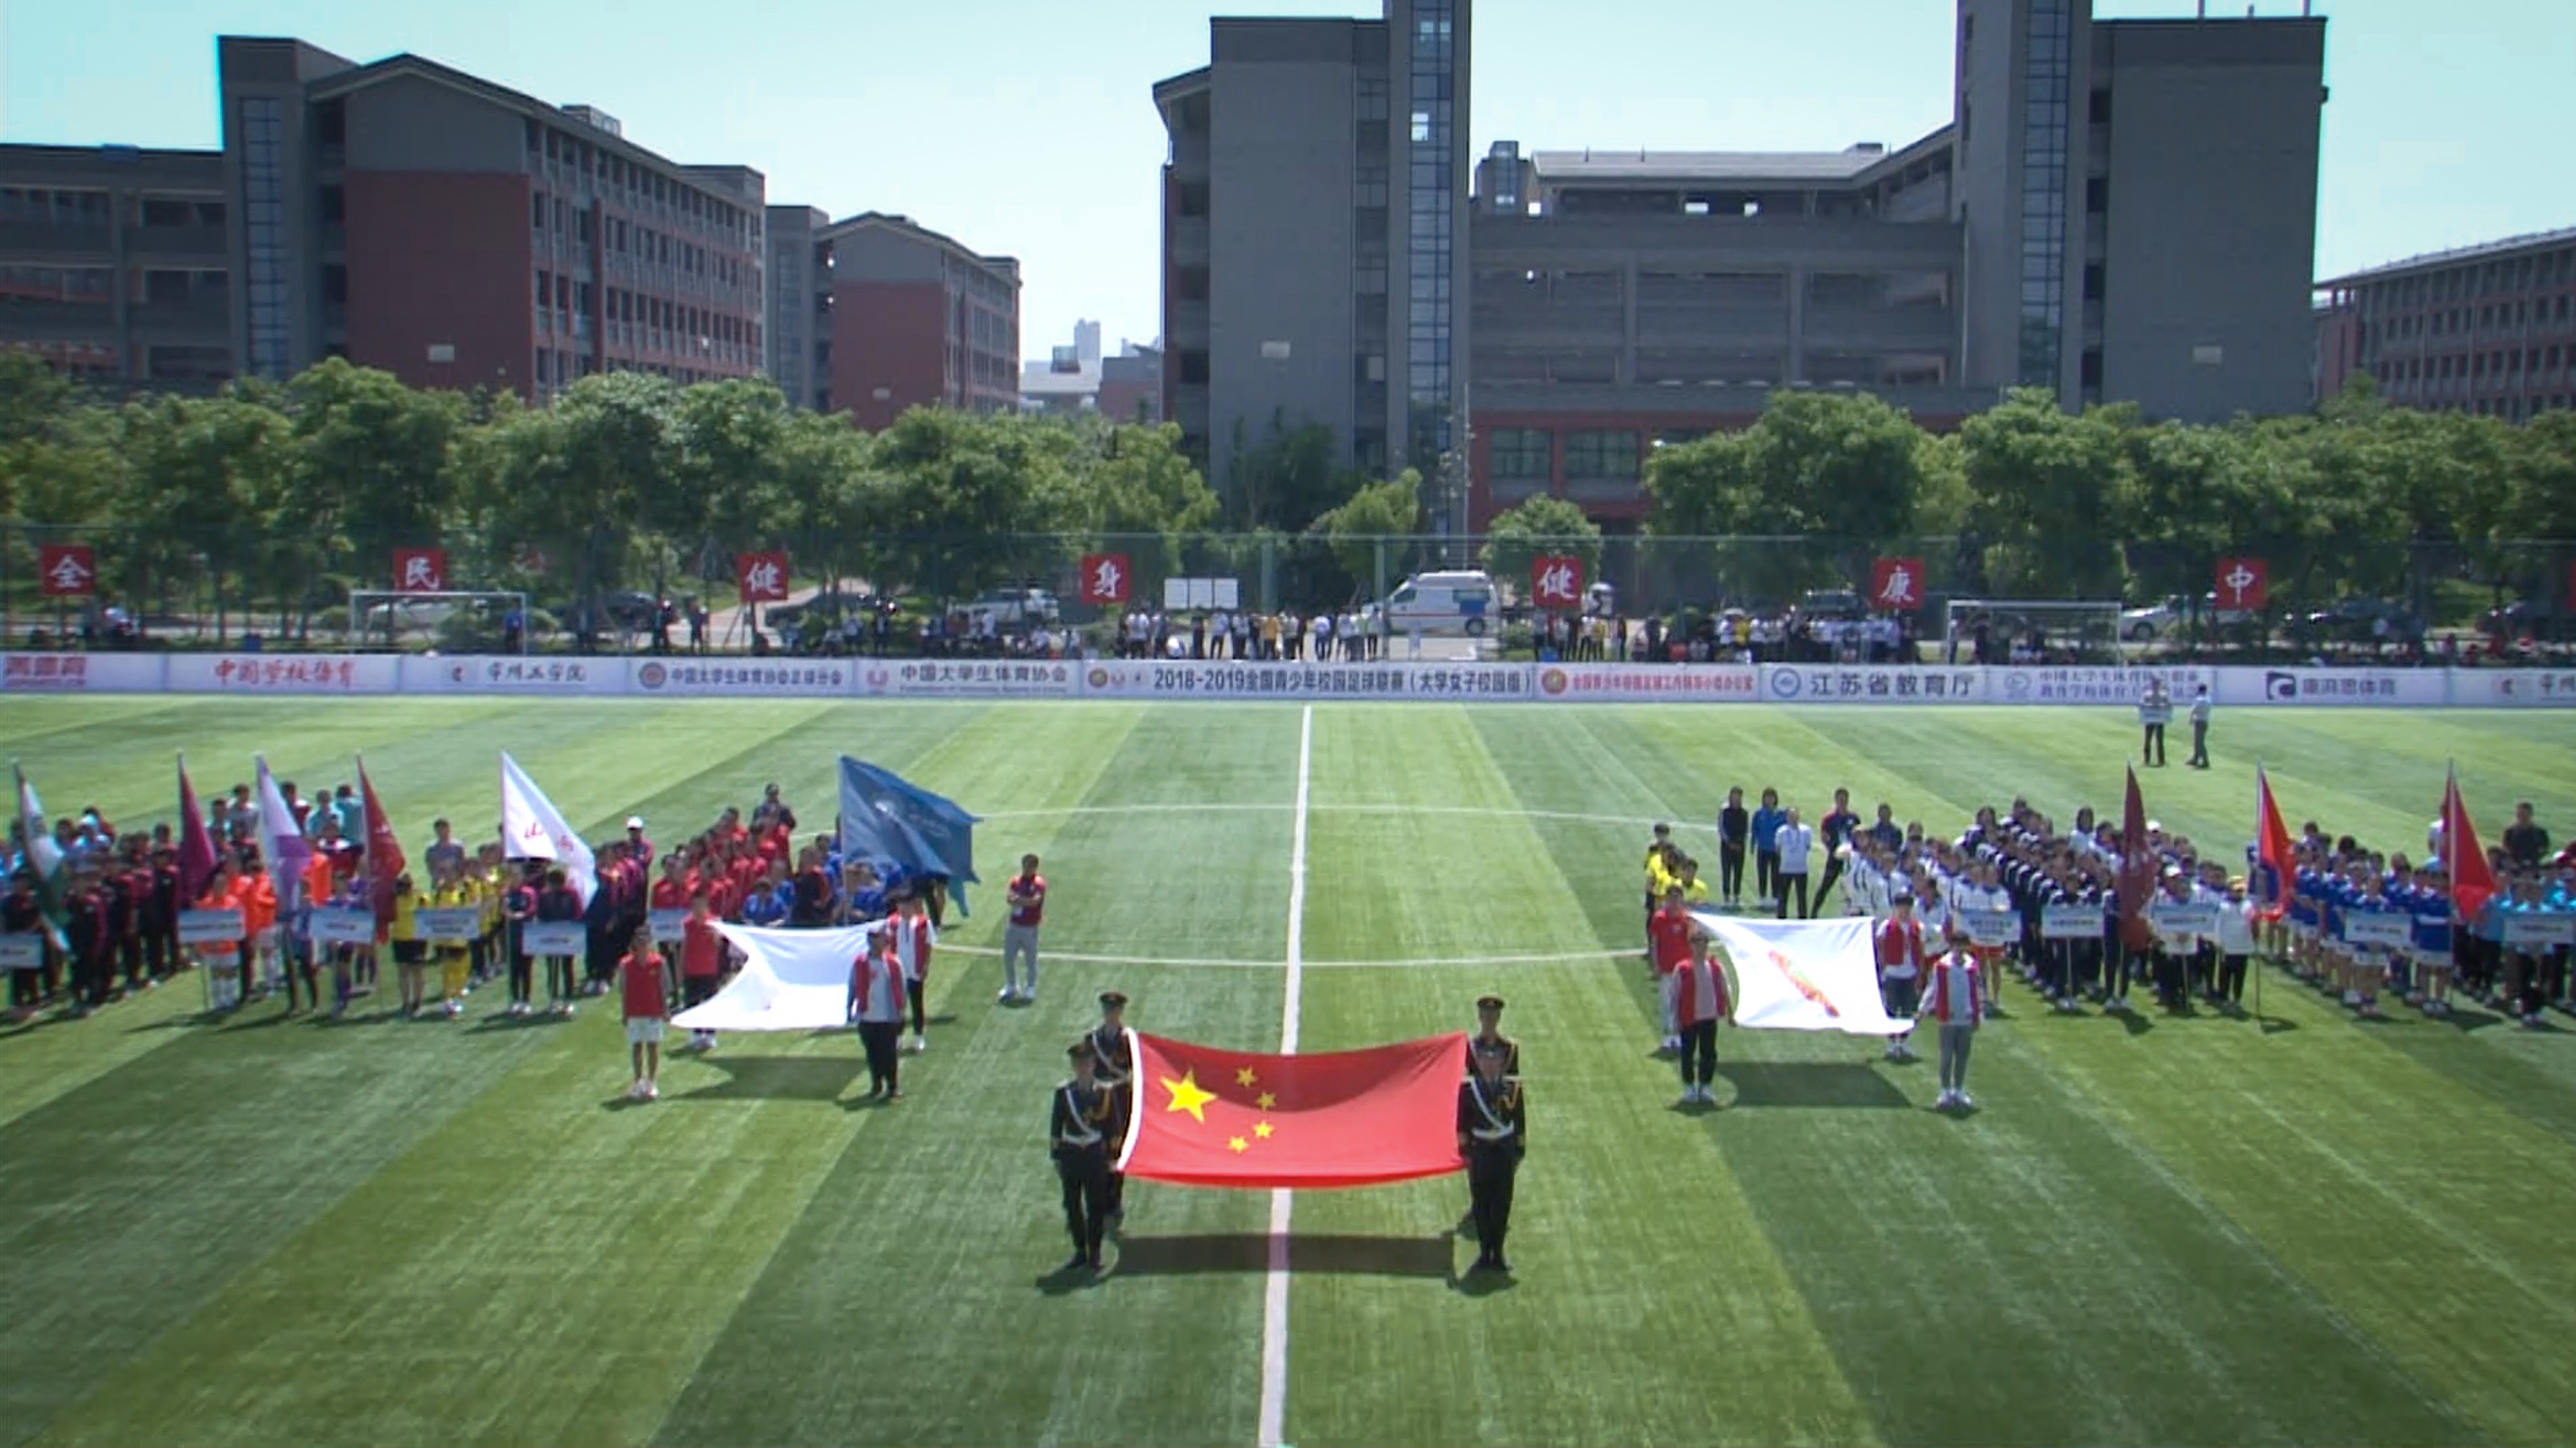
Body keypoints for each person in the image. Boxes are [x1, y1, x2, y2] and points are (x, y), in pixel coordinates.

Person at [1050, 1039, 1122, 1273]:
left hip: (1094, 1155)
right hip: (1072, 1154)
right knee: (1072, 1206)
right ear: (1074, 1066)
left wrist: (1112, 1158)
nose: (1083, 1068)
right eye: (1079, 1064)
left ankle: (1095, 1252)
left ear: (1093, 1065)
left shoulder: (1105, 1093)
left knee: (1096, 1207)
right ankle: (1080, 1250)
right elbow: (1056, 1127)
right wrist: (1056, 1156)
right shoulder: (1064, 1093)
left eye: (1087, 1063)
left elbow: (1112, 1128)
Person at [1458, 1032, 1526, 1274]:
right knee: (1482, 1204)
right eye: (1485, 1060)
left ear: (1501, 1062)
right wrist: (1466, 1152)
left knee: (1502, 1203)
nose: (1489, 1064)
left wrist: (1518, 1151)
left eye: (1494, 1060)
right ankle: (1484, 1252)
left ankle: (1498, 1253)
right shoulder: (1469, 1089)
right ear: (1479, 1062)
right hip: (1481, 1151)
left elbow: (1519, 1121)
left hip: (1503, 1151)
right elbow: (1462, 1124)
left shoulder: (1512, 1088)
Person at [1921, 924, 1984, 1110]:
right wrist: (1922, 1008)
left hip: (1966, 1016)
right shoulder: (1942, 966)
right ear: (1951, 946)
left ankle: (1959, 1089)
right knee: (1947, 1056)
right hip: (1947, 1017)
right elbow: (1933, 989)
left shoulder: (1972, 966)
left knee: (1962, 1055)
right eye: (1957, 945)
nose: (1960, 949)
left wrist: (1978, 1014)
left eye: (1963, 945)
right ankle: (1944, 1090)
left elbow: (1978, 990)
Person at [1090, 991, 1136, 1221]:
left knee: (1117, 1150)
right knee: (1097, 1151)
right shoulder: (1092, 1039)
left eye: (1114, 1010)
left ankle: (1115, 1199)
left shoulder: (1128, 1040)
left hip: (1119, 1099)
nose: (1110, 1014)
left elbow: (1135, 1070)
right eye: (1108, 1010)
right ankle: (1099, 1198)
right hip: (1099, 1100)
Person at [848, 929, 908, 1102]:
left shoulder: (893, 963)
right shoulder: (860, 962)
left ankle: (892, 1087)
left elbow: (902, 988)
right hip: (867, 1016)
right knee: (873, 1054)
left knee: (889, 1054)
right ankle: (876, 1085)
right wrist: (850, 1006)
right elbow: (853, 985)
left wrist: (901, 1011)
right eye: (875, 939)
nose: (879, 943)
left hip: (888, 1017)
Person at [1673, 934, 1730, 1106]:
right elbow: (1675, 995)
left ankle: (1705, 1086)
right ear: (1691, 946)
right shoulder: (1682, 968)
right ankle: (1689, 1087)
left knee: (1708, 1053)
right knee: (1687, 1053)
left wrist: (1729, 1012)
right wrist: (1675, 1019)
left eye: (1703, 944)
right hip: (1688, 1017)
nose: (1700, 948)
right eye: (1697, 944)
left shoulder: (1715, 966)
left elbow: (1725, 989)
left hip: (1708, 1016)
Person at [620, 926, 668, 1101]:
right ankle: (638, 1081)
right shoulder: (626, 965)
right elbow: (624, 991)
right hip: (634, 1011)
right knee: (637, 1046)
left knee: (653, 1046)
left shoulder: (659, 963)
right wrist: (624, 1013)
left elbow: (663, 988)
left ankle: (651, 1082)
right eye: (639, 941)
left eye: (645, 941)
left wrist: (665, 1009)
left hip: (652, 1011)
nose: (642, 945)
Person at [1876, 894, 1925, 1061]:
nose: (1904, 912)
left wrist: (1920, 973)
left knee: (1907, 1009)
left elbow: (1921, 951)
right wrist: (1882, 969)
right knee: (1891, 1008)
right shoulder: (1886, 926)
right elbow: (1880, 949)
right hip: (1892, 972)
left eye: (1907, 908)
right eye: (1901, 908)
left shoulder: (1917, 927)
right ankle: (1891, 1042)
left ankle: (1904, 1041)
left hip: (1910, 972)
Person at [1648, 886, 1696, 1053]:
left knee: (1681, 1004)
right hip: (1667, 968)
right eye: (1671, 898)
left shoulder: (1686, 918)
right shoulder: (1659, 918)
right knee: (1667, 1003)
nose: (1674, 902)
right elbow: (1655, 943)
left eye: (1677, 898)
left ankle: (1678, 1035)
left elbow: (1692, 941)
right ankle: (1667, 1036)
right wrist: (1655, 964)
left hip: (1684, 970)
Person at [679, 887, 725, 1052]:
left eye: (700, 904)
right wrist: (680, 969)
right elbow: (683, 947)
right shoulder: (687, 924)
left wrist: (714, 935)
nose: (698, 908)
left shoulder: (714, 922)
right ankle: (696, 1034)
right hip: (691, 969)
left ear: (706, 904)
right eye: (695, 905)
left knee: (710, 1003)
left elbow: (719, 946)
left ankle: (710, 1034)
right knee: (692, 1003)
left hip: (709, 969)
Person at [891, 893, 936, 1052]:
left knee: (917, 1004)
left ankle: (918, 1036)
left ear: (913, 906)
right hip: (898, 972)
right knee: (898, 1006)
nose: (904, 909)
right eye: (901, 906)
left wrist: (926, 965)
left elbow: (929, 944)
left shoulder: (923, 923)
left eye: (907, 906)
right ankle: (898, 1037)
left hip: (915, 969)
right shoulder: (892, 923)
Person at [1001, 853, 1046, 1004]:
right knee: (1008, 957)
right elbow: (1009, 898)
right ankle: (1011, 985)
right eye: (1025, 866)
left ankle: (1030, 986)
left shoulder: (1039, 883)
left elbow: (1035, 902)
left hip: (1030, 927)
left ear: (1035, 867)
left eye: (1029, 866)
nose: (1026, 869)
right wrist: (1023, 900)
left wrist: (1019, 900)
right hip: (1014, 925)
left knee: (1030, 959)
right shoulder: (1016, 881)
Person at [1814, 789, 1860, 914]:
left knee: (1852, 886)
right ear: (1836, 800)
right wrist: (1832, 849)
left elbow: (1858, 836)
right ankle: (1813, 913)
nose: (1842, 802)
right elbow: (1824, 837)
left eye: (1844, 799)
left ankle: (1854, 913)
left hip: (1850, 859)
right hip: (1835, 857)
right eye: (1840, 799)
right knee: (1825, 885)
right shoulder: (1829, 819)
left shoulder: (1853, 818)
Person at [1772, 806, 1815, 920]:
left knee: (1801, 896)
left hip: (1801, 868)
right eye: (1790, 816)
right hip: (1785, 868)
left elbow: (1808, 846)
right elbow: (1777, 848)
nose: (1793, 818)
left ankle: (1802, 919)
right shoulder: (1781, 831)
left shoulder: (1806, 831)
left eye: (1795, 816)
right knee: (1783, 896)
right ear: (1786, 818)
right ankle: (1781, 918)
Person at [1750, 791, 1785, 910]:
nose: (1769, 800)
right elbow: (1754, 830)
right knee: (1762, 874)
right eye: (1767, 798)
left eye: (1771, 798)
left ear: (1775, 799)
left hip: (1776, 850)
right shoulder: (1759, 813)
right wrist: (1752, 845)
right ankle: (1762, 897)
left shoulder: (1781, 814)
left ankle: (1775, 898)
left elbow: (1785, 830)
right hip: (1762, 848)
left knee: (1776, 874)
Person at [1717, 788, 1749, 907]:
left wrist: (1739, 842)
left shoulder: (1744, 812)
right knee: (1726, 871)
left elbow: (1745, 829)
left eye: (1738, 797)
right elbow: (1721, 828)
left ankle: (1736, 895)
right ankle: (1726, 896)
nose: (1736, 799)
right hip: (1726, 846)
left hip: (1740, 847)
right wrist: (1729, 842)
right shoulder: (1724, 810)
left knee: (1738, 872)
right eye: (1734, 796)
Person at [2139, 677, 2171, 768]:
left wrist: (2162, 705)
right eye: (2154, 684)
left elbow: (2169, 705)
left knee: (2160, 741)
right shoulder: (2147, 694)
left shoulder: (2164, 695)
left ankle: (2161, 760)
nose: (2155, 686)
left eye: (2157, 684)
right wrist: (2149, 705)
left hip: (2159, 720)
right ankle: (2146, 760)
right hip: (2150, 720)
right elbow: (2141, 704)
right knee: (2147, 740)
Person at [2187, 685, 2214, 769]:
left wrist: (2191, 718)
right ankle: (2195, 758)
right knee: (2198, 741)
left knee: (2199, 742)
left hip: (2198, 721)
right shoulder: (2208, 699)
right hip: (2205, 721)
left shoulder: (2198, 699)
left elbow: (2194, 710)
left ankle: (2205, 761)